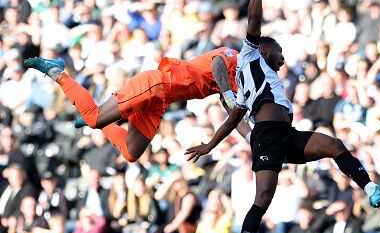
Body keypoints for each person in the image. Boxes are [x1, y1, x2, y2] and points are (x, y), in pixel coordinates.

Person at [185, 0, 380, 233]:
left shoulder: (259, 80)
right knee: (262, 201)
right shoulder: (250, 55)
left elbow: (237, 115)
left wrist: (225, 118)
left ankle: (373, 192)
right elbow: (254, 20)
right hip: (270, 136)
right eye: (279, 50)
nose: (283, 56)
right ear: (263, 48)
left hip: (281, 135)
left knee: (334, 146)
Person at [23, 46, 251, 163]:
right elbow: (218, 65)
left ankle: (100, 119)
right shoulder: (235, 57)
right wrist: (230, 97)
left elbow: (234, 117)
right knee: (93, 117)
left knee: (132, 153)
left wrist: (251, 138)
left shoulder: (238, 84)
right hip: (155, 84)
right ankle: (58, 72)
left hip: (160, 100)